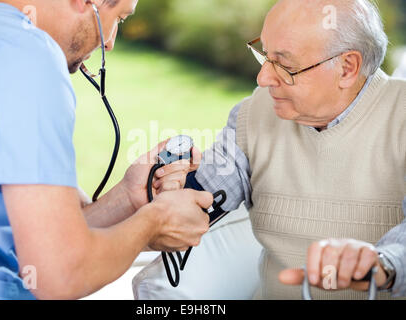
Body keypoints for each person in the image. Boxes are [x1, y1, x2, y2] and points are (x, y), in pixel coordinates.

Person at [0, 0, 214, 300]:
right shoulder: (29, 56)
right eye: (118, 18)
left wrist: (128, 196)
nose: (110, 41)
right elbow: (60, 274)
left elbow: (42, 240)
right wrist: (154, 223)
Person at [150, 0, 405, 299]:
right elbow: (202, 197)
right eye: (265, 55)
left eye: (284, 64)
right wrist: (174, 190)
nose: (263, 78)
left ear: (347, 68)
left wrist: (383, 265)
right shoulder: (254, 113)